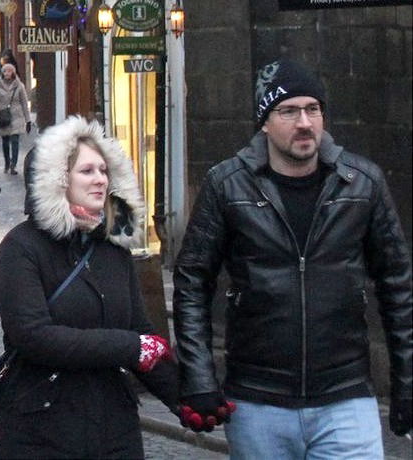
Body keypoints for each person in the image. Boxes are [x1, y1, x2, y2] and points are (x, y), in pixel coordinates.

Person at [173, 58, 412, 455]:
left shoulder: (362, 182)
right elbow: (193, 282)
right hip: (257, 398)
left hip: (345, 395)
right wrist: (199, 379)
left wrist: (406, 381)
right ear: (264, 121)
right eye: (288, 111)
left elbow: (398, 286)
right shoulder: (226, 185)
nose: (304, 122)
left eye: (313, 109)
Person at [0, 117, 181, 458]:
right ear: (58, 179)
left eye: (104, 171)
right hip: (41, 426)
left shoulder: (112, 248)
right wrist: (127, 346)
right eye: (87, 171)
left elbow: (141, 332)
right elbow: (33, 336)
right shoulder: (20, 248)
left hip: (113, 427)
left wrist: (188, 400)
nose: (100, 180)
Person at [0, 61, 32, 175]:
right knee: (5, 141)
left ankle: (13, 164)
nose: (7, 73)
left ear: (13, 72)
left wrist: (28, 120)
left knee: (15, 141)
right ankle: (7, 162)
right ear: (2, 73)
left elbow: (24, 103)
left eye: (9, 71)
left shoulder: (19, 86)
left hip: (17, 117)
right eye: (5, 71)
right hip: (3, 116)